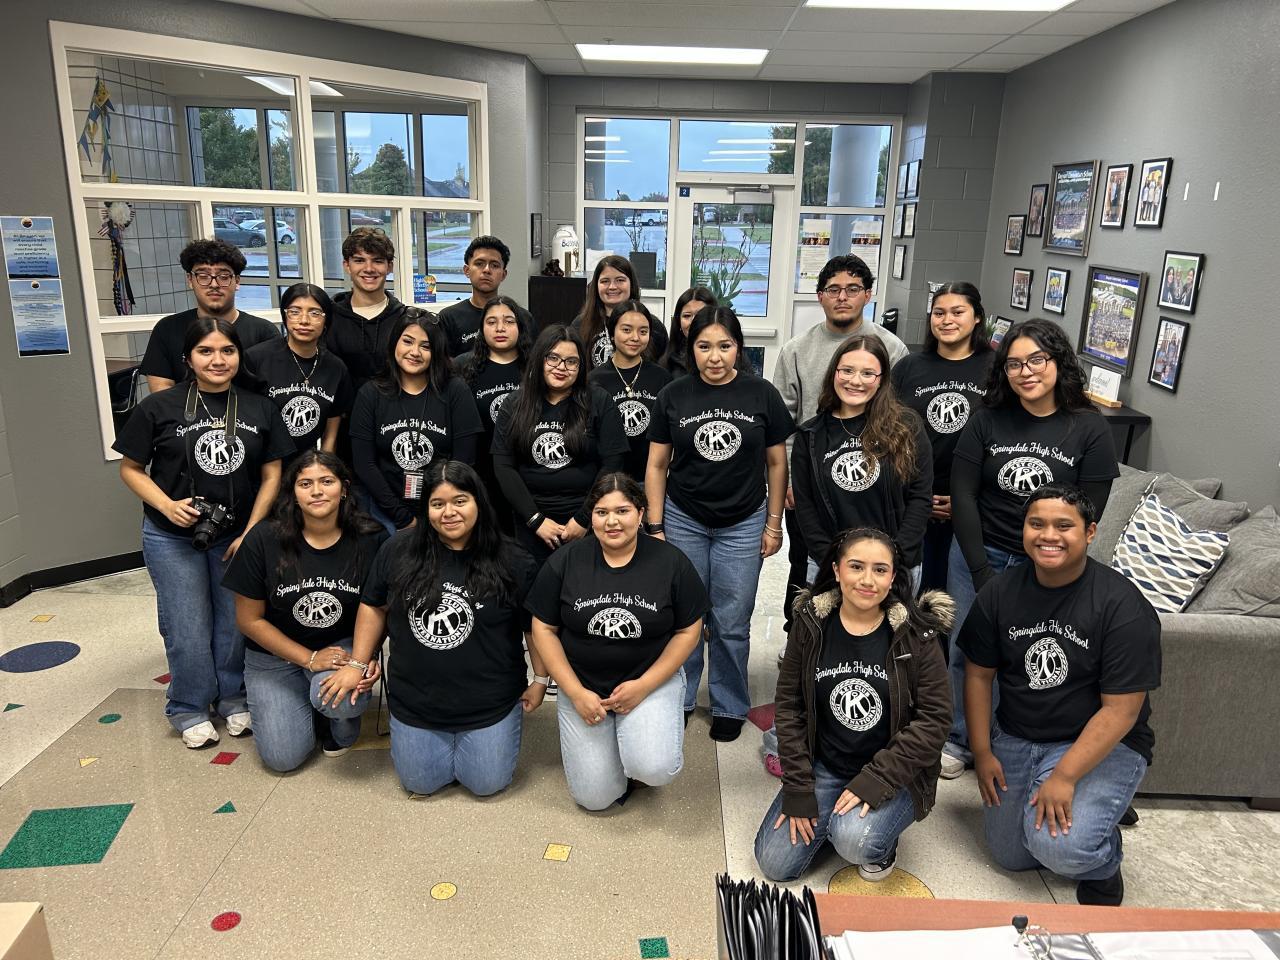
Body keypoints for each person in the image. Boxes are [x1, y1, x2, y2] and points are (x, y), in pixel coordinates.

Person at [960, 484, 1160, 906]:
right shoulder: (999, 592)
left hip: (1099, 741)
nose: (1048, 535)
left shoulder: (1123, 605)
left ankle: (1104, 859)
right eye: (1037, 524)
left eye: (1064, 526)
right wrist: (982, 751)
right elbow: (978, 675)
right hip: (1018, 734)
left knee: (1059, 849)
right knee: (1011, 855)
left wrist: (1065, 776)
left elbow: (1122, 711)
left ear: (1090, 532)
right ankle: (1096, 809)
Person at [941, 318, 1119, 779]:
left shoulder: (1090, 428)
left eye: (1036, 360)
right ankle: (961, 738)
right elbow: (963, 494)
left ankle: (1008, 739)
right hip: (980, 550)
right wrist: (980, 570)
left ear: (1058, 362)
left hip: (1046, 562)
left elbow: (1088, 512)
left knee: (1028, 649)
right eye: (1014, 364)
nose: (1026, 372)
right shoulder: (986, 419)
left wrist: (1051, 564)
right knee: (966, 648)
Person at [114, 315, 295, 748]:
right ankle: (188, 706)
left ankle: (232, 697)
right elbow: (131, 468)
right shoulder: (158, 406)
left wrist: (252, 531)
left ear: (239, 356)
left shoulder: (259, 407)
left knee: (234, 623)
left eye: (227, 351)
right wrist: (167, 505)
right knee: (187, 625)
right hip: (171, 535)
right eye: (205, 351)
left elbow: (272, 475)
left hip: (236, 534)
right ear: (188, 358)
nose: (218, 360)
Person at [754, 528, 952, 883]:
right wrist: (798, 787)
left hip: (895, 771)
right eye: (856, 566)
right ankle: (835, 820)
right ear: (836, 570)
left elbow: (934, 721)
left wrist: (877, 781)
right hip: (827, 765)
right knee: (774, 863)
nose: (867, 580)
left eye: (880, 570)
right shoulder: (810, 625)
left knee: (854, 841)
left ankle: (874, 839)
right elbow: (790, 706)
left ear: (893, 577)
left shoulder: (917, 635)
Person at [341, 461, 546, 798]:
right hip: (416, 701)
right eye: (437, 504)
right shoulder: (398, 549)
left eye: (460, 501)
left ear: (479, 502)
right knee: (420, 784)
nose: (449, 513)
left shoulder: (513, 559)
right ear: (426, 508)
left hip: (489, 701)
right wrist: (357, 662)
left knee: (486, 784)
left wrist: (539, 679)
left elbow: (532, 626)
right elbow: (373, 605)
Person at [646, 307, 794, 742]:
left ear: (739, 348)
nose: (715, 356)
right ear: (690, 349)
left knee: (731, 620)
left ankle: (729, 702)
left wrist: (773, 524)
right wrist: (655, 525)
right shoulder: (673, 394)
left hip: (743, 522)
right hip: (683, 518)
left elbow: (776, 462)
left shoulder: (761, 393)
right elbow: (656, 465)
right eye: (704, 346)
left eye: (725, 346)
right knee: (684, 616)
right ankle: (680, 697)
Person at [527, 473, 708, 811]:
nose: (612, 521)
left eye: (622, 511)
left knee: (654, 767)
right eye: (601, 512)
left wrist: (643, 686)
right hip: (583, 685)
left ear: (640, 514)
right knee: (594, 798)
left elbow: (688, 632)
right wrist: (576, 693)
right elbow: (544, 629)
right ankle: (616, 749)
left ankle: (635, 752)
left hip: (648, 680)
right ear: (590, 516)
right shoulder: (565, 561)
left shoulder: (671, 562)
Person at [221, 451, 386, 770]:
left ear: (344, 489)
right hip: (272, 658)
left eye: (327, 481)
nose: (317, 491)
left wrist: (365, 657)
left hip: (340, 648)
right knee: (283, 759)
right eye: (305, 484)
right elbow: (248, 620)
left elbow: (379, 608)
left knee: (339, 703)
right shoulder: (262, 538)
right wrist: (308, 659)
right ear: (293, 493)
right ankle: (306, 698)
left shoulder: (371, 537)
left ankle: (336, 720)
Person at [775, 254, 909, 632]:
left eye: (852, 289)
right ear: (820, 296)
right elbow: (784, 423)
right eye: (833, 289)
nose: (842, 297)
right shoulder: (796, 350)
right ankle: (801, 636)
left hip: (875, 486)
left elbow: (901, 421)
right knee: (806, 564)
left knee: (870, 567)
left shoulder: (893, 349)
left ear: (868, 294)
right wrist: (791, 480)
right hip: (812, 480)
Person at [792, 335, 932, 584]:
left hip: (895, 567)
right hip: (830, 567)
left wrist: (894, 559)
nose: (855, 381)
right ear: (834, 373)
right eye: (847, 370)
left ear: (881, 380)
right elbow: (806, 508)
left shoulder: (907, 427)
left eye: (868, 374)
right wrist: (834, 562)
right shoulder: (810, 436)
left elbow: (920, 497)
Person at [491, 325, 629, 561]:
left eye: (571, 362)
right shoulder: (514, 404)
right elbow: (503, 466)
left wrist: (584, 517)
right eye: (553, 358)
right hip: (530, 519)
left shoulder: (599, 400)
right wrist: (535, 520)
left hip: (586, 517)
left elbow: (613, 462)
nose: (561, 367)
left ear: (581, 367)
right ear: (539, 359)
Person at [891, 282, 994, 594]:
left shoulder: (996, 368)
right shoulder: (909, 367)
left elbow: (1006, 436)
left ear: (977, 317)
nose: (947, 320)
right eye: (939, 313)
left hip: (975, 503)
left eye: (957, 312)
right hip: (913, 499)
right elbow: (889, 430)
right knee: (914, 593)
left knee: (957, 598)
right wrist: (919, 497)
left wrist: (965, 501)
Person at [349, 310, 482, 535]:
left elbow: (464, 460)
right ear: (394, 343)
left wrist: (438, 509)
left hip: (444, 508)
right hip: (385, 510)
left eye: (426, 346)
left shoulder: (455, 391)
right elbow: (364, 464)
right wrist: (401, 517)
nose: (415, 352)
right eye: (407, 342)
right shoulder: (370, 394)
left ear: (436, 351)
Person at [140, 238, 281, 393]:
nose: (214, 284)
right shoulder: (168, 329)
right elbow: (161, 393)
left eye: (223, 276)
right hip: (183, 409)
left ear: (237, 281)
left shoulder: (264, 332)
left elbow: (276, 390)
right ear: (190, 280)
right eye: (203, 276)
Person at [246, 283, 354, 464]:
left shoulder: (336, 368)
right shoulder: (256, 358)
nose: (304, 320)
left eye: (315, 313)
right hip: (260, 464)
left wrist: (323, 468)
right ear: (285, 316)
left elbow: (330, 435)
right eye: (295, 312)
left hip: (305, 466)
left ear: (326, 320)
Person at [457, 295, 534, 525]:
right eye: (491, 322)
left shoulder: (535, 366)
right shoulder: (462, 366)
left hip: (526, 470)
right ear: (481, 328)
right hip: (480, 472)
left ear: (520, 327)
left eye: (509, 321)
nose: (500, 328)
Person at [587, 300, 672, 483]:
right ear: (612, 333)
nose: (635, 337)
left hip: (650, 479)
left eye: (643, 332)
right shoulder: (594, 379)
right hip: (606, 480)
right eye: (626, 330)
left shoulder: (662, 378)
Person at [324, 227, 410, 392]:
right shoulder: (328, 319)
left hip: (394, 407)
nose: (369, 268)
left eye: (377, 261)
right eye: (359, 260)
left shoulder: (406, 320)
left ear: (389, 266)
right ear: (347, 266)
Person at [437, 236, 535, 358]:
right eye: (479, 264)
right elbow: (443, 365)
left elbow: (531, 362)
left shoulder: (522, 318)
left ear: (503, 274)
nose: (487, 270)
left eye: (494, 265)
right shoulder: (448, 318)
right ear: (467, 270)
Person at [572, 255, 668, 369]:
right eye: (605, 281)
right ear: (596, 286)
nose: (612, 287)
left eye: (620, 280)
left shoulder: (653, 325)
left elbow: (662, 369)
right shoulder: (580, 324)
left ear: (631, 284)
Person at [660, 286, 716, 378]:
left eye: (700, 315)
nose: (693, 322)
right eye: (687, 316)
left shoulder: (730, 357)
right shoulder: (668, 362)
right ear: (678, 321)